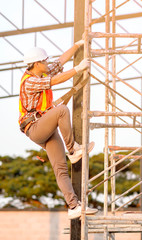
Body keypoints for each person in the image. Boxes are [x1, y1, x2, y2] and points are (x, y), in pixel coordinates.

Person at [19, 39, 98, 219]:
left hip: (45, 126)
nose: (48, 63)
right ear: (37, 64)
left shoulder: (40, 73)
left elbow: (61, 62)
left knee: (60, 168)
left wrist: (78, 44)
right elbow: (55, 81)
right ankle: (73, 149)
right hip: (35, 127)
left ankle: (73, 206)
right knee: (61, 110)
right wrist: (78, 69)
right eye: (45, 61)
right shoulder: (30, 81)